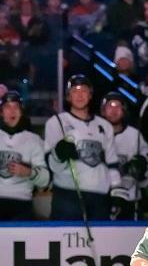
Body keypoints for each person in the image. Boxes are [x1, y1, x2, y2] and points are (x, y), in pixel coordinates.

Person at [44, 74, 120, 221]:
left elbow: (112, 163)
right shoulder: (56, 122)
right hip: (68, 195)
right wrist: (58, 154)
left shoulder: (104, 126)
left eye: (84, 90)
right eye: (74, 91)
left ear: (90, 95)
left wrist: (116, 194)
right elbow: (51, 165)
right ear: (68, 96)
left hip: (100, 197)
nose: (79, 95)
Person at [0, 90, 48, 221]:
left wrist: (29, 172)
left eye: (16, 107)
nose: (12, 111)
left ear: (22, 112)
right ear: (0, 112)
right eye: (7, 107)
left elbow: (45, 181)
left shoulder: (34, 140)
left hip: (22, 204)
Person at [101, 92, 148, 220]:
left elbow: (147, 167)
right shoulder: (95, 132)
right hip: (101, 199)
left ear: (124, 111)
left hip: (129, 200)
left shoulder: (134, 135)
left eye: (118, 106)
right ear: (103, 111)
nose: (114, 110)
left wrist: (141, 165)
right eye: (109, 106)